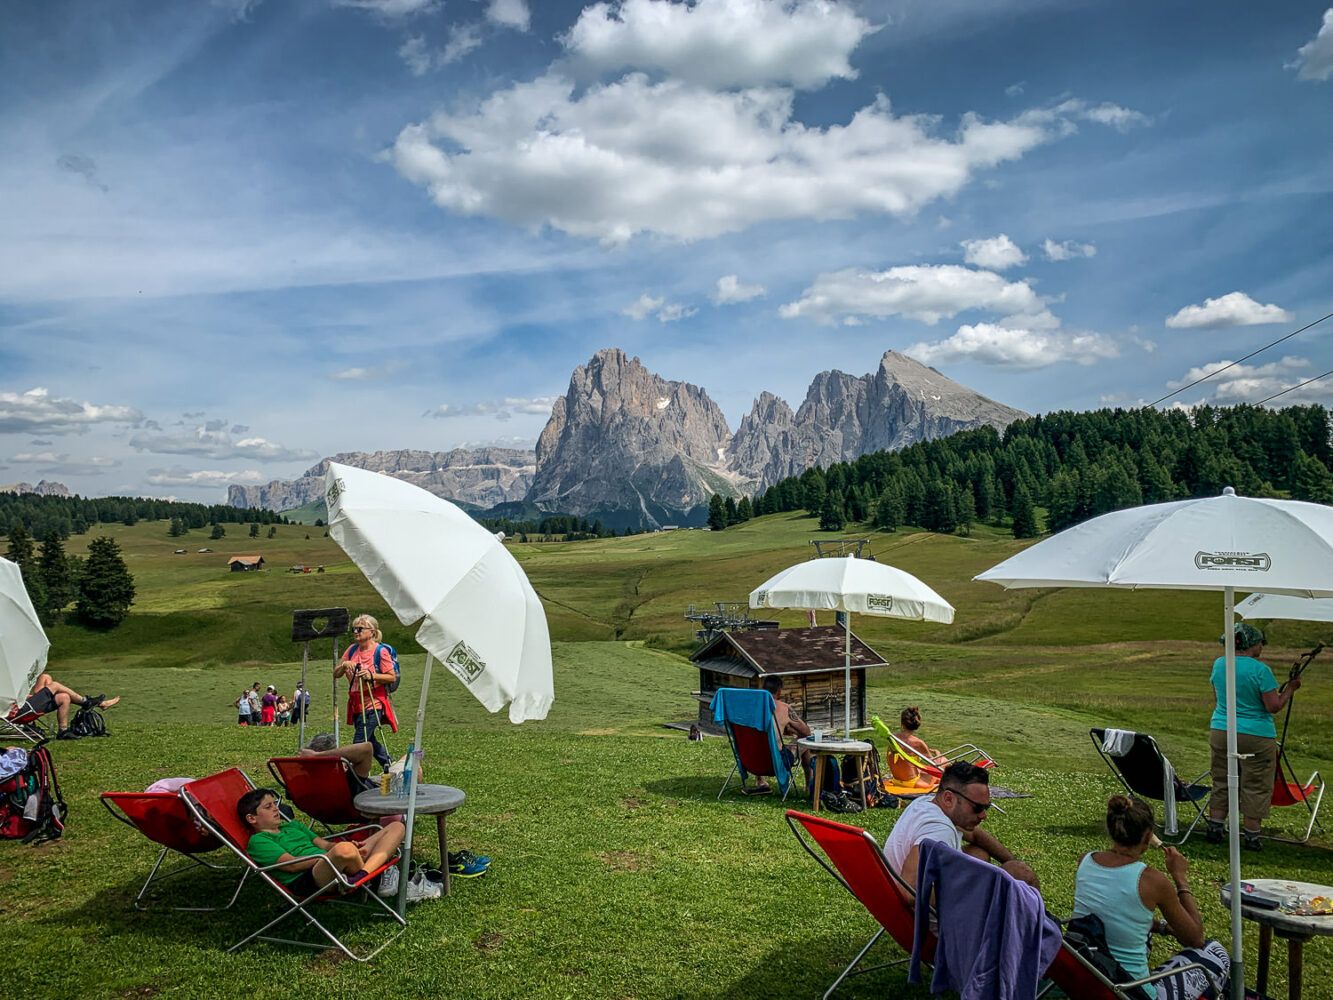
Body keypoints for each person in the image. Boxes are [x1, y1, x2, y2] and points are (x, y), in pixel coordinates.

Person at [1073, 794, 1230, 997]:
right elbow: (1195, 938)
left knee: (1142, 928)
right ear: (1148, 837)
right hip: (1130, 992)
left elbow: (1115, 914)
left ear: (1110, 829)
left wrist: (1164, 927)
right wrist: (1180, 877)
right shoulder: (1152, 880)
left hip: (1090, 977)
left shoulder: (1085, 860)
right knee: (1216, 952)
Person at [301, 733, 490, 878]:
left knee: (406, 760)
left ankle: (403, 823)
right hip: (375, 794)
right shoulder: (347, 780)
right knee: (413, 765)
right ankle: (404, 824)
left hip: (330, 806)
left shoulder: (302, 783)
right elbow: (367, 748)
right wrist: (327, 758)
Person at [236, 787, 438, 902]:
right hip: (310, 877)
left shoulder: (293, 826)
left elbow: (323, 844)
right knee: (343, 850)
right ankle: (373, 876)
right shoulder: (259, 841)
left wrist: (352, 846)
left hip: (337, 863)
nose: (276, 809)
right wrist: (332, 857)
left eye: (275, 804)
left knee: (396, 827)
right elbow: (292, 865)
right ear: (252, 818)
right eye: (268, 807)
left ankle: (362, 875)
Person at [1206, 622, 1299, 850]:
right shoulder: (1261, 670)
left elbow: (1220, 698)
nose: (1262, 647)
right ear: (1251, 645)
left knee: (1222, 779)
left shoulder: (1220, 664)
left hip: (1221, 729)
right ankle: (1251, 836)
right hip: (1256, 734)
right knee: (1255, 784)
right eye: (1260, 643)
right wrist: (1290, 689)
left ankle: (1215, 827)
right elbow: (1273, 706)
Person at [883, 761, 1038, 891]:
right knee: (1022, 874)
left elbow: (976, 835)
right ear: (949, 799)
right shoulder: (939, 832)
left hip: (903, 897)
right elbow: (908, 891)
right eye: (977, 808)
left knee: (979, 854)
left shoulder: (925, 804)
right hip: (940, 922)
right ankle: (1042, 922)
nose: (984, 815)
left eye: (986, 807)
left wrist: (1011, 860)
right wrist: (974, 888)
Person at [334, 615, 398, 772]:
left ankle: (351, 773)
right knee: (369, 739)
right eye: (354, 629)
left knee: (359, 741)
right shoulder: (351, 650)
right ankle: (389, 764)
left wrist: (371, 675)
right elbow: (336, 673)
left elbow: (391, 676)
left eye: (360, 629)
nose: (356, 631)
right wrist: (344, 666)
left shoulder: (380, 651)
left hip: (374, 701)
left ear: (372, 632)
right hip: (357, 703)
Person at [7, 674, 119, 741]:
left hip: (24, 705)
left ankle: (63, 731)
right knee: (54, 685)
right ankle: (87, 702)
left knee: (63, 696)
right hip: (22, 711)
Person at [759, 676, 815, 794]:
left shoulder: (749, 708)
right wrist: (789, 727)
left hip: (752, 761)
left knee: (757, 742)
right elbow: (806, 732)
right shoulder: (783, 708)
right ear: (779, 691)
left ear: (762, 688)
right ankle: (809, 785)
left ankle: (759, 780)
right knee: (805, 740)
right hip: (775, 763)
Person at [892, 706, 945, 787]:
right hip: (913, 783)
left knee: (920, 769)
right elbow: (935, 765)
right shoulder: (918, 743)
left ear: (902, 723)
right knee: (943, 760)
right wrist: (938, 754)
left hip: (896, 781)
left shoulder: (893, 737)